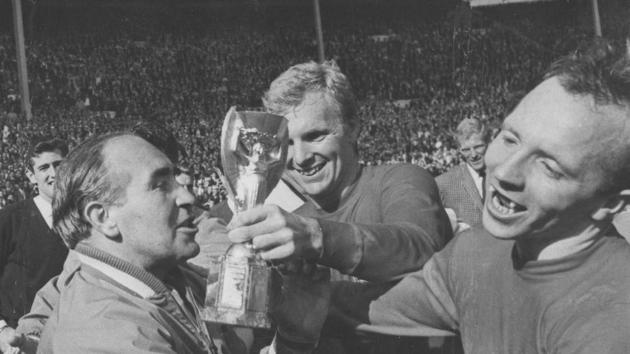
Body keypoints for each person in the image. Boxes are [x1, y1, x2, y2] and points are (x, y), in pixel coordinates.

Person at [323, 38, 630, 353]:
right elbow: (367, 308)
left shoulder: (614, 316)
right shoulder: (476, 251)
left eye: (549, 167)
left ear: (612, 203)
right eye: (509, 138)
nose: (504, 171)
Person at [227, 60, 453, 353]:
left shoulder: (398, 179)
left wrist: (317, 238)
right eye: (288, 144)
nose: (300, 157)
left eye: (315, 136)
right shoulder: (291, 228)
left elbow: (421, 245)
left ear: (353, 127)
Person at [0, 137, 68, 353]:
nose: (54, 173)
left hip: (69, 336)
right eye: (44, 167)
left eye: (59, 164)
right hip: (19, 340)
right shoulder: (10, 218)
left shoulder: (85, 219)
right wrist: (1, 331)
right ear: (31, 176)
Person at [436, 117, 490, 233]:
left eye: (478, 147)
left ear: (488, 143)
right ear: (459, 150)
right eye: (466, 150)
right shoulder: (444, 183)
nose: (473, 154)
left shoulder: (505, 174)